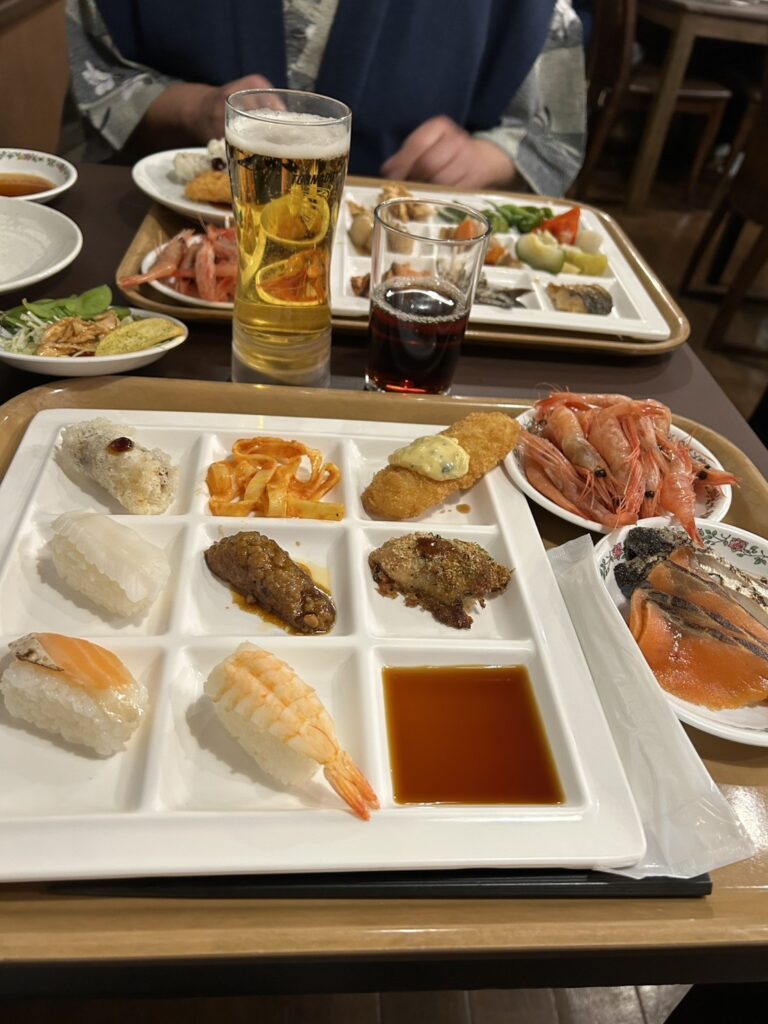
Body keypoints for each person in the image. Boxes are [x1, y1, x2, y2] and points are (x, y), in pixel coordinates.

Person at [64, 0, 587, 196]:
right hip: (178, 247)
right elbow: (100, 75)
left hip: (411, 278)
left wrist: (487, 158)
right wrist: (196, 107)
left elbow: (550, 135)